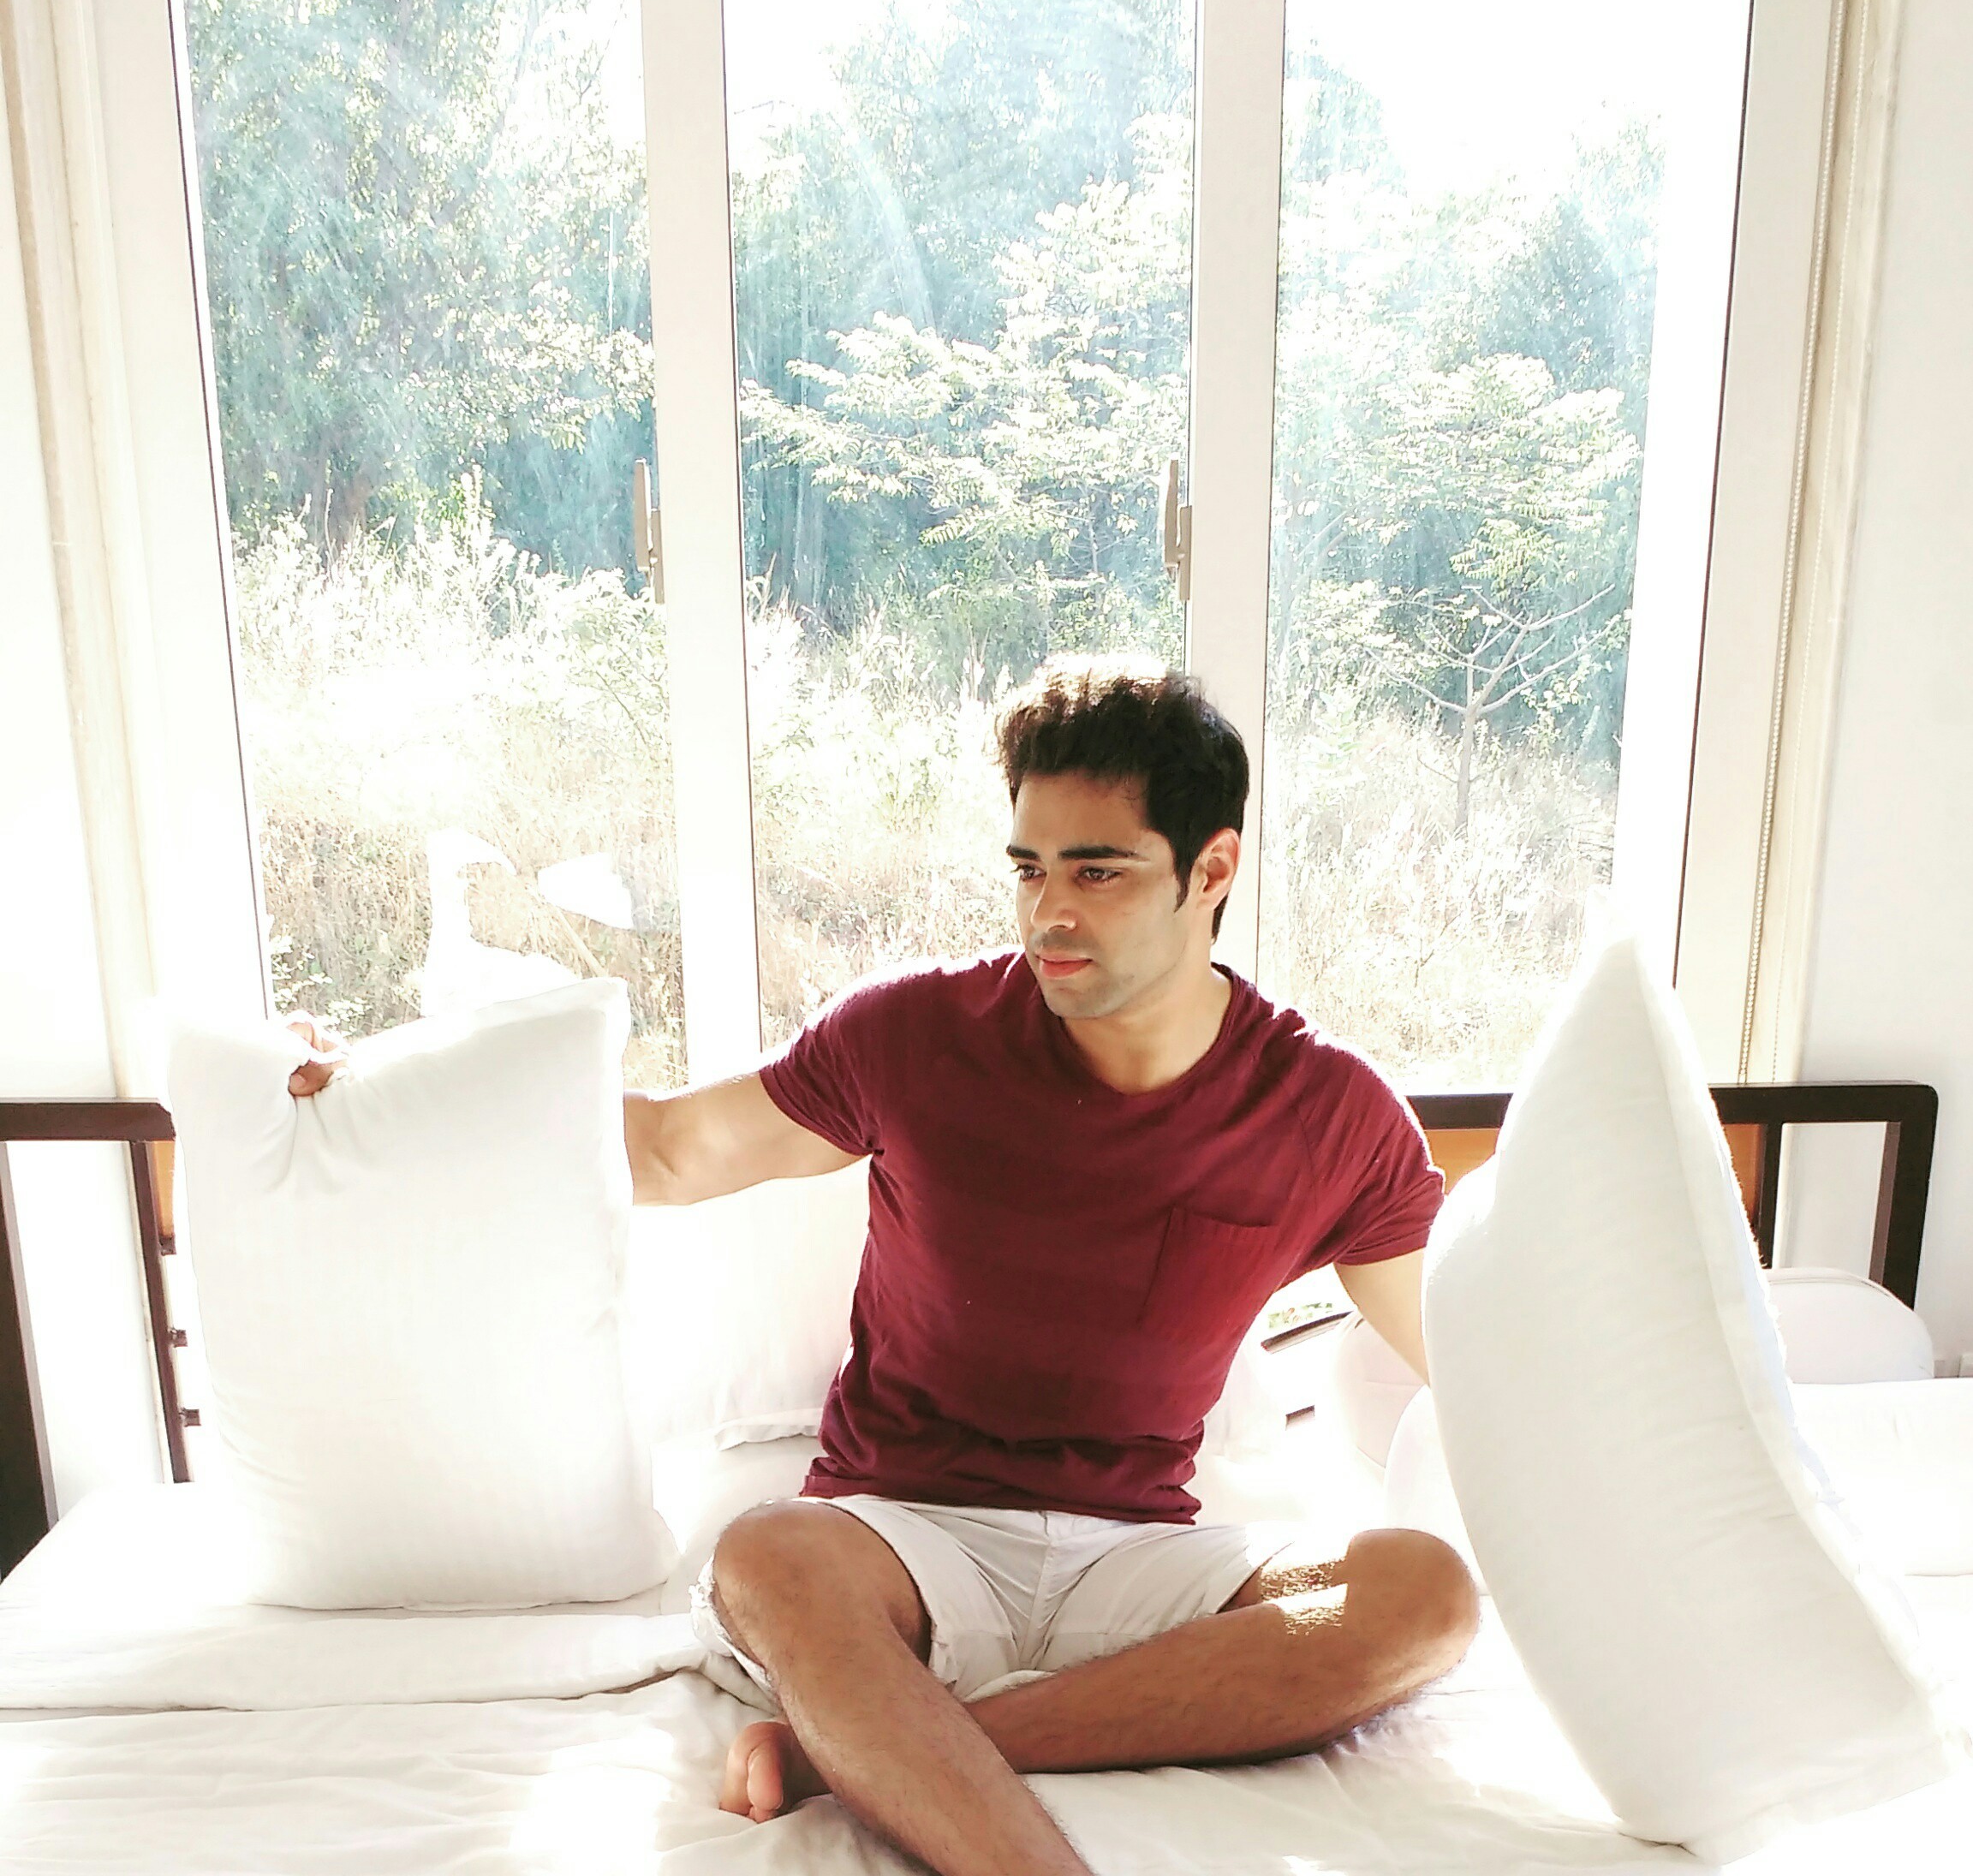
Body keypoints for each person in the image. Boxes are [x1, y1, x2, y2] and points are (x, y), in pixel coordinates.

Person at [288, 658, 1478, 1876]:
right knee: (766, 1553)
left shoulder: (1329, 1115)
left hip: (1137, 1558)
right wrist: (388, 1080)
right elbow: (667, 1148)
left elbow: (1476, 1371)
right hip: (901, 1544)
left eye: (1098, 872)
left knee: (1424, 1593)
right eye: (1029, 869)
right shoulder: (916, 1035)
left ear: (1210, 869)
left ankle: (871, 1749)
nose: (1049, 914)